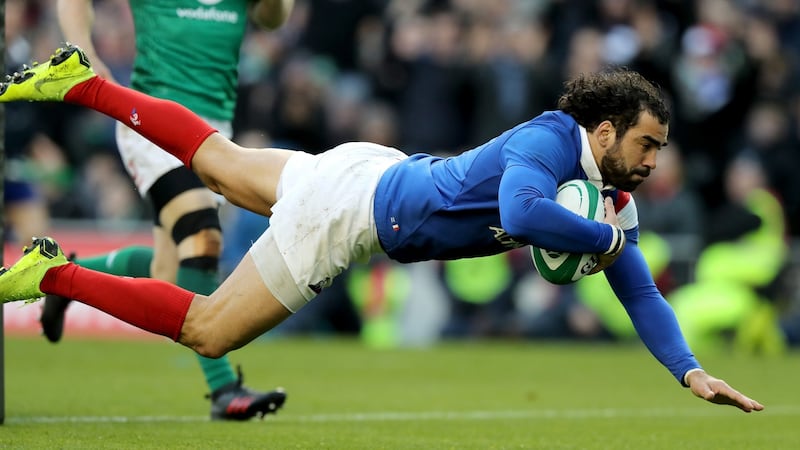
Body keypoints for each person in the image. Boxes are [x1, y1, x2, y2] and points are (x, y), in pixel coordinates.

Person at [0, 44, 763, 413]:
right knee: (207, 332)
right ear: (604, 133)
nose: (656, 161)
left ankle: (85, 84)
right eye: (647, 145)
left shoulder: (608, 199)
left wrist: (688, 370)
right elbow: (520, 216)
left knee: (222, 165)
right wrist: (602, 241)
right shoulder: (549, 142)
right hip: (356, 214)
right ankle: (52, 272)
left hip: (377, 170)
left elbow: (637, 290)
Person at [35, 0, 294, 421]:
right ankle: (223, 388)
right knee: (202, 237)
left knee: (168, 275)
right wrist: (86, 54)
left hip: (214, 136)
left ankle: (60, 275)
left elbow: (272, 17)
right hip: (150, 120)